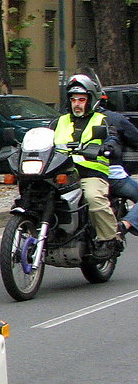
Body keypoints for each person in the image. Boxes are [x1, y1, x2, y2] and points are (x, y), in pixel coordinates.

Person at [52, 74, 120, 259]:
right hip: (62, 172)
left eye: (81, 100)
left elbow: (113, 138)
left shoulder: (102, 120)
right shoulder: (59, 121)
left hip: (91, 173)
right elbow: (44, 138)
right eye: (74, 100)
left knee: (93, 197)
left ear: (91, 100)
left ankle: (109, 239)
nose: (77, 104)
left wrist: (108, 146)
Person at [97, 96, 138, 234]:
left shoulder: (64, 120)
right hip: (111, 175)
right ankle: (124, 225)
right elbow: (135, 138)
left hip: (73, 176)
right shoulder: (115, 119)